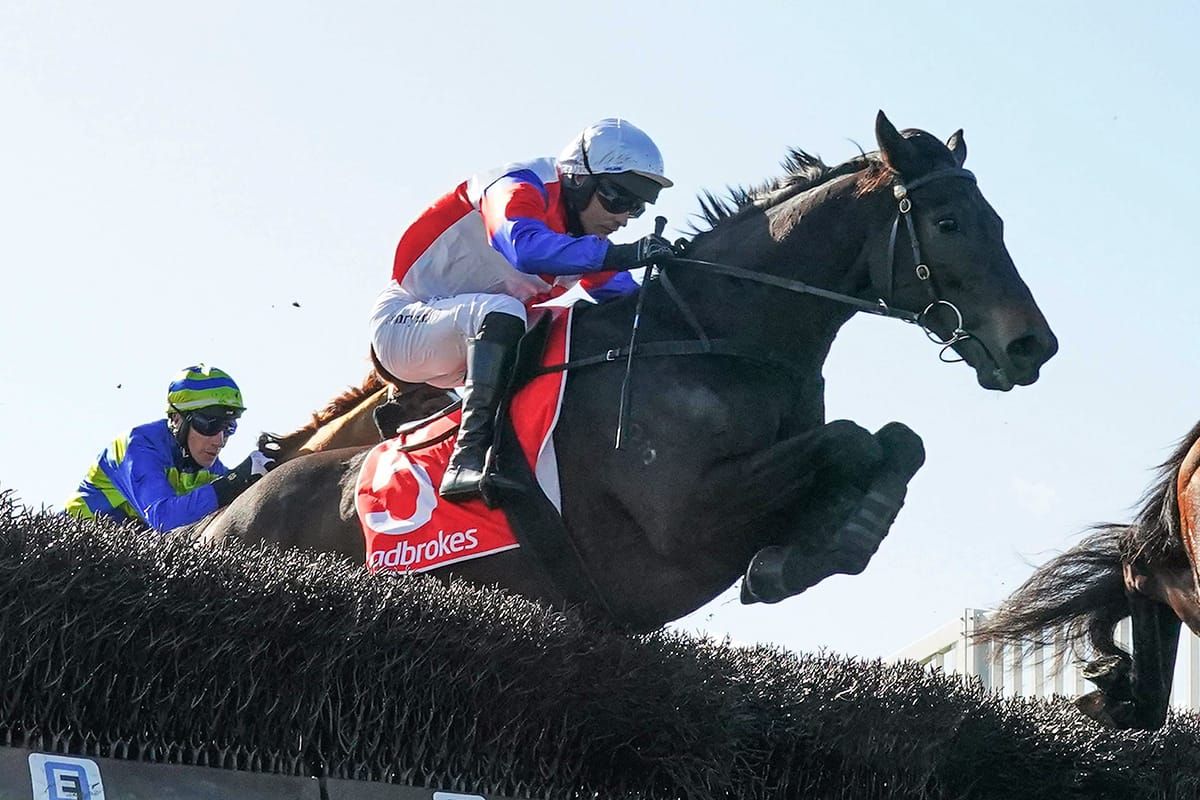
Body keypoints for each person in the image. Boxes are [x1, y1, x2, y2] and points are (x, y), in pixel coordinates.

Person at [369, 118, 675, 504]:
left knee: (574, 324)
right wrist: (626, 254)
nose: (624, 218)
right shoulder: (518, 185)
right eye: (618, 199)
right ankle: (467, 459)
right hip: (402, 325)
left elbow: (630, 304)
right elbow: (524, 248)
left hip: (465, 342)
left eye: (637, 208)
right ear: (578, 179)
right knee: (505, 309)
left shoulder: (584, 237)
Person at [64, 365, 275, 532]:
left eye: (229, 427)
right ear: (176, 419)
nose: (219, 441)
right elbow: (164, 519)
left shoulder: (211, 468)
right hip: (71, 547)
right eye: (211, 425)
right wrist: (236, 480)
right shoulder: (137, 446)